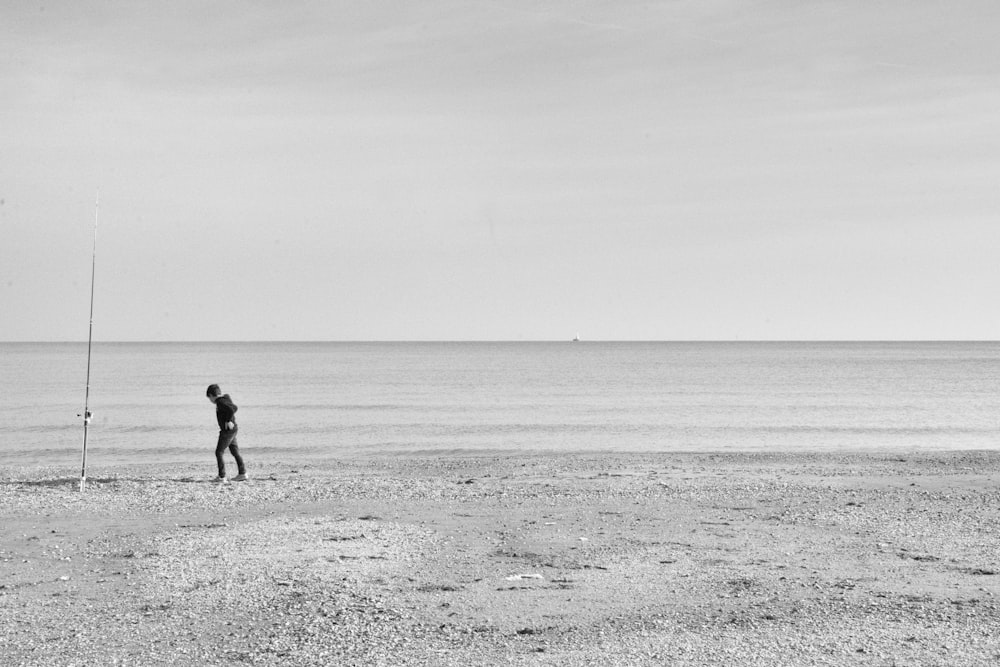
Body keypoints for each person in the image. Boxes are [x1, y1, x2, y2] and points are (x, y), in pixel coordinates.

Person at [206, 384, 247, 482]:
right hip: (232, 430)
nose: (210, 400)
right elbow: (231, 408)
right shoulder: (226, 398)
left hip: (227, 432)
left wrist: (228, 421)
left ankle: (222, 476)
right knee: (234, 451)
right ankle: (242, 473)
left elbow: (233, 408)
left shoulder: (220, 402)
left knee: (219, 452)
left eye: (209, 398)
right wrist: (230, 420)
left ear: (211, 395)